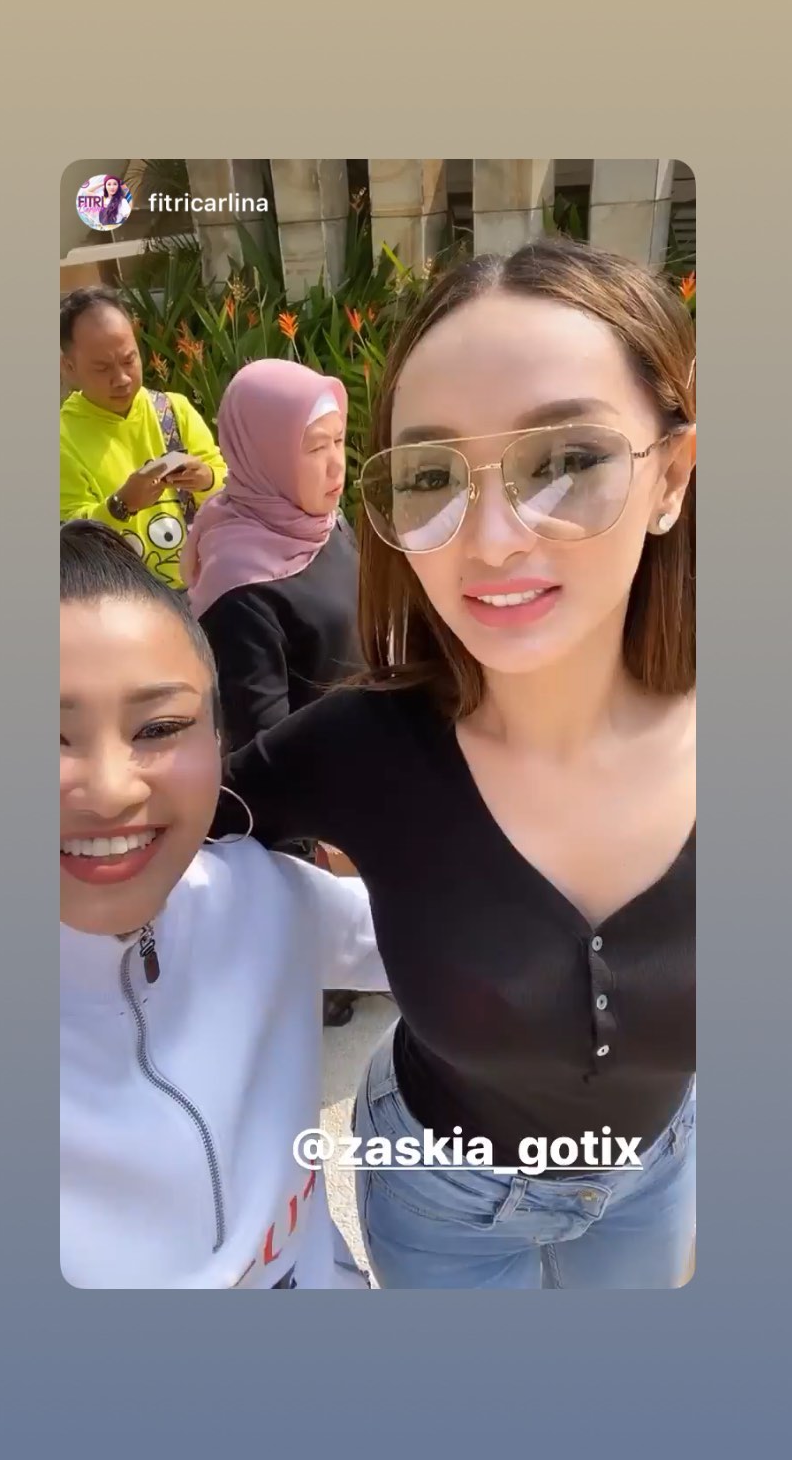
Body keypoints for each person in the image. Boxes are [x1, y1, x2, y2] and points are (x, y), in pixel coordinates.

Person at [211, 239, 697, 1289]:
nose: (491, 538)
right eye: (431, 475)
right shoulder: (360, 745)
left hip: (656, 1179)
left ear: (670, 476)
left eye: (565, 461)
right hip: (441, 1196)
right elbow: (155, 830)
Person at [60, 519, 388, 1289]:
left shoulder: (262, 895)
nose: (111, 791)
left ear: (219, 738)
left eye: (160, 727)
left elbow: (457, 939)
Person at [182, 358, 365, 1027]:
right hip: (308, 809)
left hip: (363, 752)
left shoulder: (319, 522)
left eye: (339, 441)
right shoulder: (242, 584)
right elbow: (263, 751)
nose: (335, 464)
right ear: (265, 454)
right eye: (314, 448)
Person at [60, 287, 227, 590]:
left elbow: (228, 486)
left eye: (129, 360)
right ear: (68, 367)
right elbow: (70, 541)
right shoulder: (61, 439)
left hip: (202, 588)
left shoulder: (173, 411)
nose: (122, 379)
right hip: (124, 602)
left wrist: (206, 478)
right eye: (102, 368)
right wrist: (120, 505)